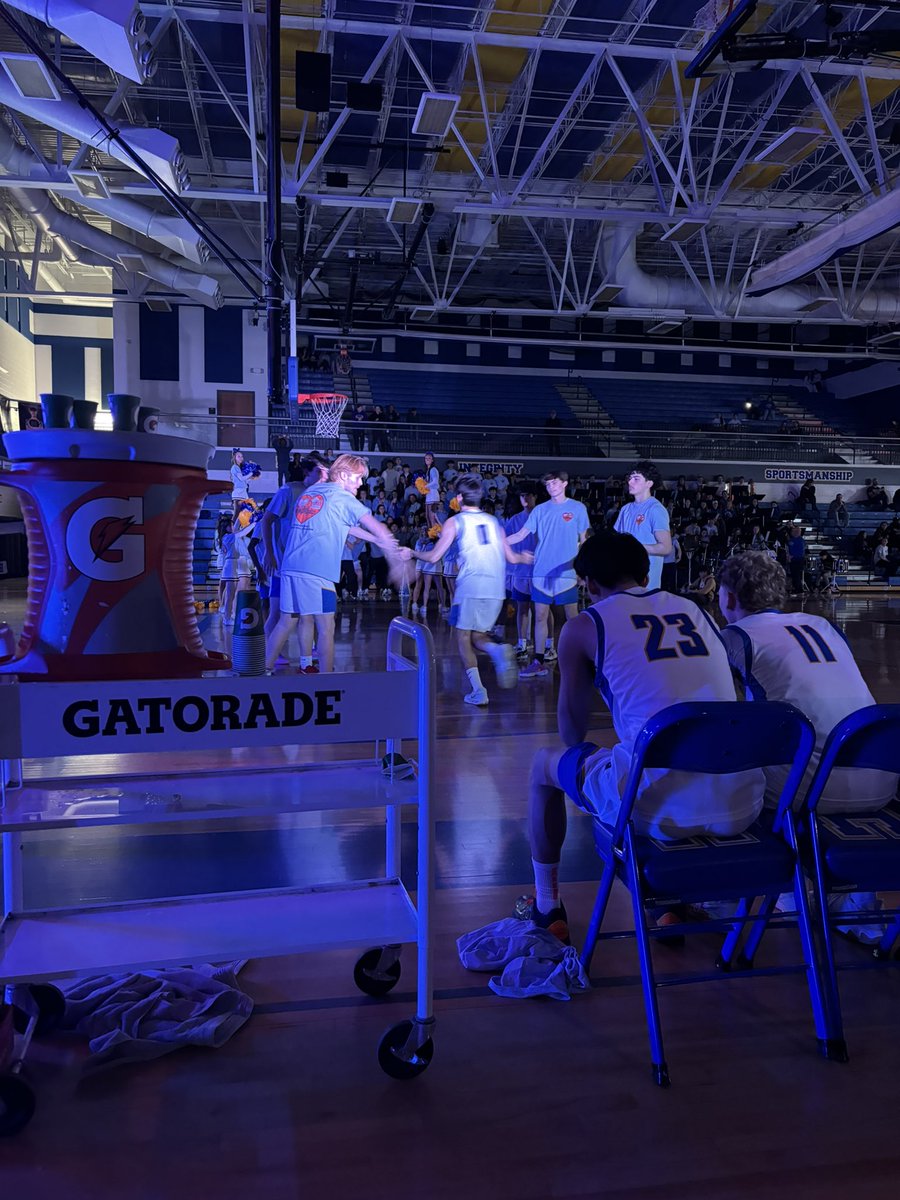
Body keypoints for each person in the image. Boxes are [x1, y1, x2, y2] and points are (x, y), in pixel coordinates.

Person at [518, 532, 765, 943]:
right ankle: (667, 905)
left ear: (590, 584)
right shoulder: (695, 608)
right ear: (643, 571)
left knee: (544, 765)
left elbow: (571, 733)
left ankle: (547, 907)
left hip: (655, 807)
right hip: (741, 799)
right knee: (669, 749)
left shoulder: (584, 625)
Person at [718, 551, 898, 943]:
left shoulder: (735, 637)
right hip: (883, 775)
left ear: (729, 597)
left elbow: (723, 721)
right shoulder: (824, 625)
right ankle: (854, 902)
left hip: (811, 789)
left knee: (721, 765)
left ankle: (779, 890)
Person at [265, 454, 409, 672]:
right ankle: (328, 678)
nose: (361, 483)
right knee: (326, 627)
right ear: (343, 475)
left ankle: (261, 672)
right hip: (317, 571)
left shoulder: (312, 491)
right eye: (358, 477)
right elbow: (376, 525)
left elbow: (344, 526)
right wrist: (394, 555)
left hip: (291, 567)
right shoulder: (343, 498)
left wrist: (377, 540)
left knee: (288, 620)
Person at [411, 473, 531, 706]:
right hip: (495, 588)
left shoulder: (455, 522)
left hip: (470, 586)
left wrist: (412, 553)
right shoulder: (494, 521)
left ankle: (479, 690)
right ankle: (496, 651)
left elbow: (435, 555)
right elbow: (512, 558)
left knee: (462, 637)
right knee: (478, 635)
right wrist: (524, 557)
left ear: (458, 498)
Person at [506, 470, 591, 678]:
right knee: (541, 616)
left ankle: (583, 658)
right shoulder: (540, 511)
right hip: (541, 573)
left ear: (564, 483)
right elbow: (519, 535)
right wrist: (494, 541)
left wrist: (584, 569)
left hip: (567, 572)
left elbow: (585, 541)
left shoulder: (578, 508)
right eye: (548, 484)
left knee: (573, 617)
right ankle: (539, 660)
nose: (551, 486)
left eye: (554, 482)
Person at [259, 451, 331, 660]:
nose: (323, 475)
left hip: (309, 566)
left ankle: (310, 653)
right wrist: (270, 554)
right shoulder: (289, 490)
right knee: (278, 612)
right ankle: (272, 653)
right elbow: (266, 521)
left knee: (311, 614)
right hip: (284, 563)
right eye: (319, 471)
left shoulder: (323, 495)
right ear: (307, 471)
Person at [613, 461, 672, 591]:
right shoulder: (625, 509)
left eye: (636, 479)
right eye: (630, 478)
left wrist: (636, 548)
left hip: (647, 586)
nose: (630, 482)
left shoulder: (655, 509)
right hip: (624, 580)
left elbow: (666, 547)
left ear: (649, 483)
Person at [504, 486, 538, 663]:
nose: (525, 499)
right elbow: (506, 542)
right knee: (522, 609)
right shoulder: (515, 520)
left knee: (541, 611)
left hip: (540, 572)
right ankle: (522, 643)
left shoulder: (542, 516)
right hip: (520, 572)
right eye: (522, 496)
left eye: (528, 495)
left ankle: (546, 645)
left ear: (534, 497)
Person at [422, 451, 441, 527]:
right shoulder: (428, 470)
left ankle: (436, 535)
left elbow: (435, 482)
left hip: (433, 494)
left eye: (429, 458)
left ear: (432, 460)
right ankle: (431, 535)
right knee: (428, 517)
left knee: (432, 517)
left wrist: (425, 486)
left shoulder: (433, 469)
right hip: (429, 495)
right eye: (426, 458)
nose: (427, 459)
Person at [787, 525, 807, 594]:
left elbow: (801, 552)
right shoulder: (791, 539)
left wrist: (792, 556)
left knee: (796, 574)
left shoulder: (800, 541)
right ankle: (797, 588)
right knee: (794, 574)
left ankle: (798, 589)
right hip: (793, 559)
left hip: (798, 560)